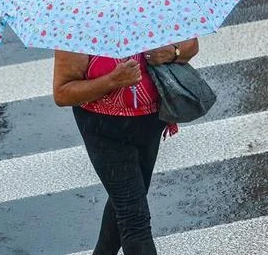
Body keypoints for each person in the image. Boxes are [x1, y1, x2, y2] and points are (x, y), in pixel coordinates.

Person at [52, 38, 199, 255]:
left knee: (128, 203)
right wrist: (112, 80)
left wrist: (171, 52)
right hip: (103, 129)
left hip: (151, 121)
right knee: (135, 219)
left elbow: (192, 45)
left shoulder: (154, 7)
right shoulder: (78, 27)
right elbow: (62, 93)